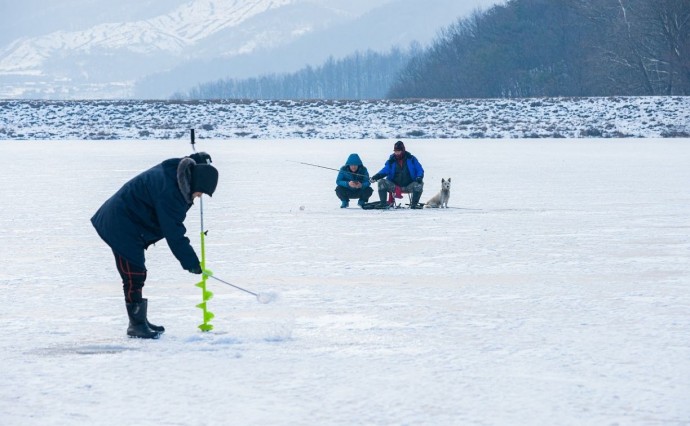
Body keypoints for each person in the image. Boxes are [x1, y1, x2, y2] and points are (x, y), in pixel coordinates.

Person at [91, 152, 218, 339]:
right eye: (200, 192)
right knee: (134, 274)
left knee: (136, 273)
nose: (198, 197)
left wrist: (198, 159)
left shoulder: (179, 173)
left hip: (130, 221)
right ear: (195, 183)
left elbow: (190, 165)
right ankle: (136, 325)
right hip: (120, 223)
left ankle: (140, 321)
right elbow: (173, 232)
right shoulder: (171, 193)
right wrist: (191, 262)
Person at [370, 140, 425, 209]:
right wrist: (376, 177)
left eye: (398, 151)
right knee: (381, 182)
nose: (397, 153)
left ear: (403, 150)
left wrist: (419, 177)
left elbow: (419, 169)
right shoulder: (391, 160)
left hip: (409, 186)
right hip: (394, 186)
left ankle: (414, 204)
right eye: (395, 151)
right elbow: (385, 170)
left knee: (419, 184)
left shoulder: (411, 159)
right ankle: (383, 204)